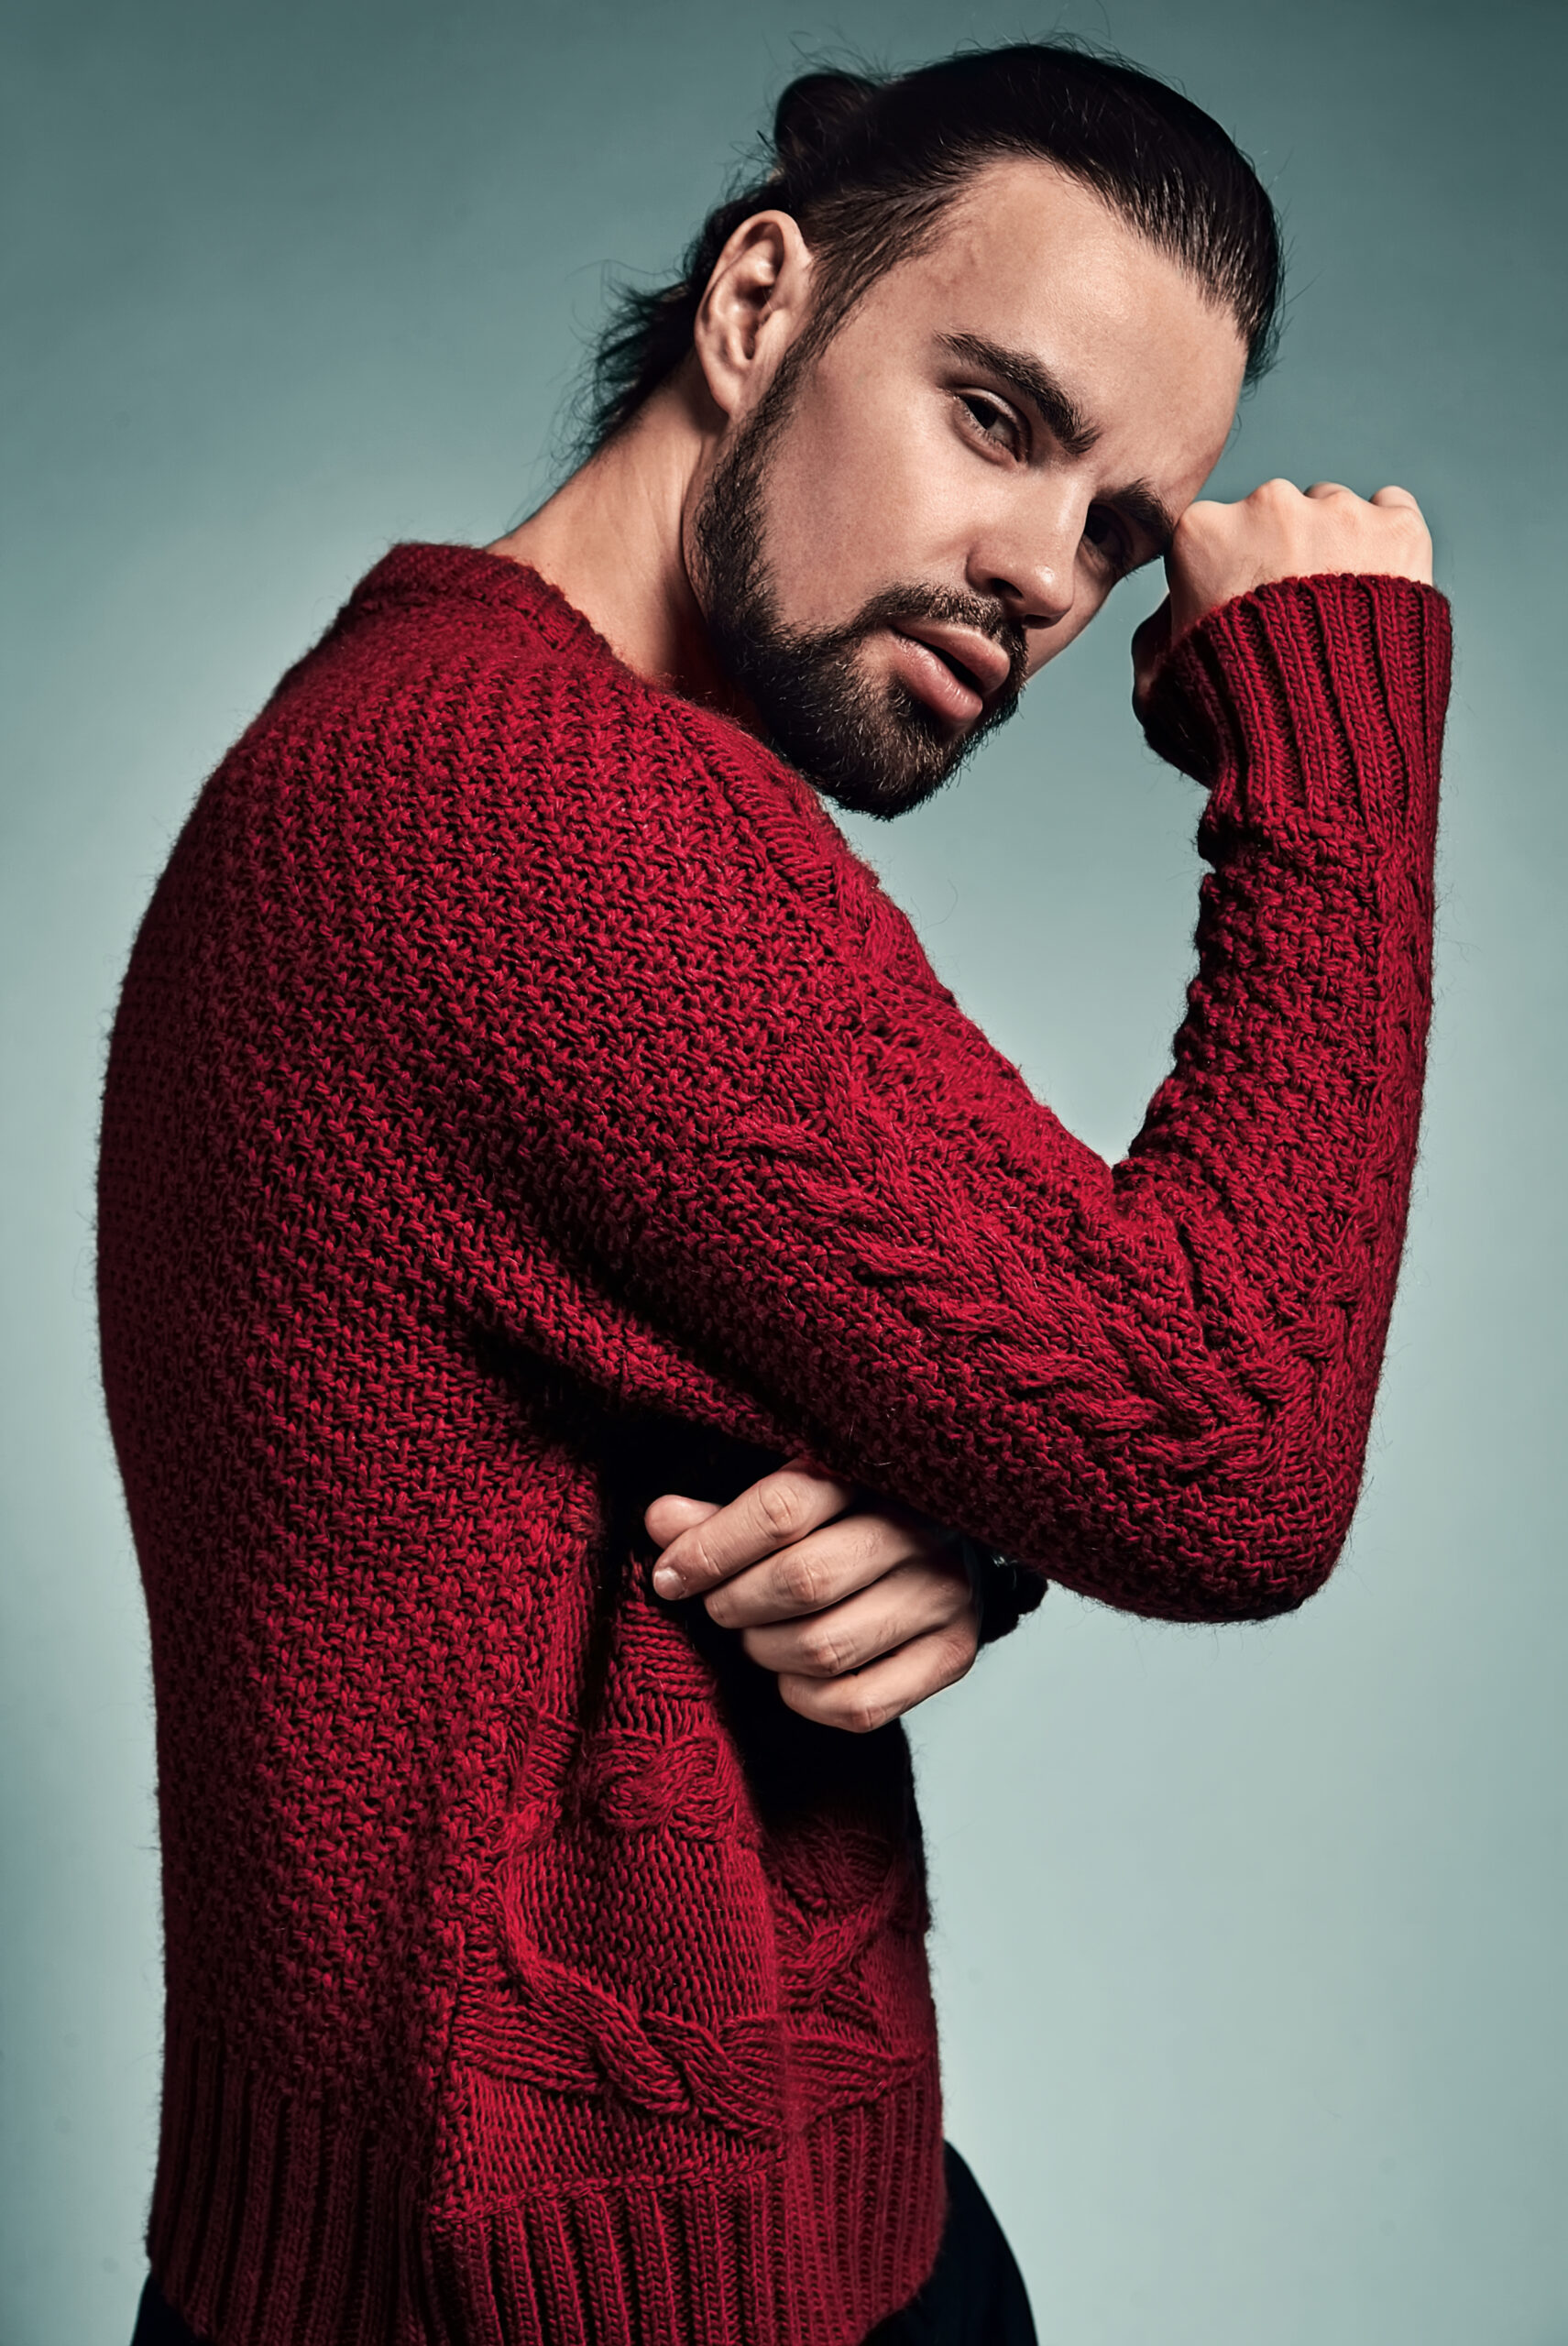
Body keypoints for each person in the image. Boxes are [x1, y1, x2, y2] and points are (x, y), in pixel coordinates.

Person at [102, 40, 1448, 2346]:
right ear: (757, 307)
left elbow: (944, 1342)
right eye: (996, 419)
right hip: (545, 2293)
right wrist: (1337, 738)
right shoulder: (519, 805)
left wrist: (976, 1508)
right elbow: (1226, 1442)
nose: (1041, 573)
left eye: (1122, 534)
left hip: (754, 2223)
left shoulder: (496, 742)